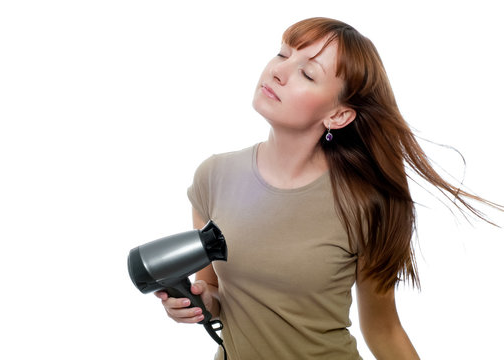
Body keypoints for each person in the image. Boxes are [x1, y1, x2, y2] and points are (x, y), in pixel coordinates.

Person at [154, 17, 501, 359]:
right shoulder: (213, 176)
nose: (279, 71)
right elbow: (214, 290)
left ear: (338, 116)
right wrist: (197, 301)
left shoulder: (363, 204)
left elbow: (383, 330)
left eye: (307, 73)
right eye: (282, 54)